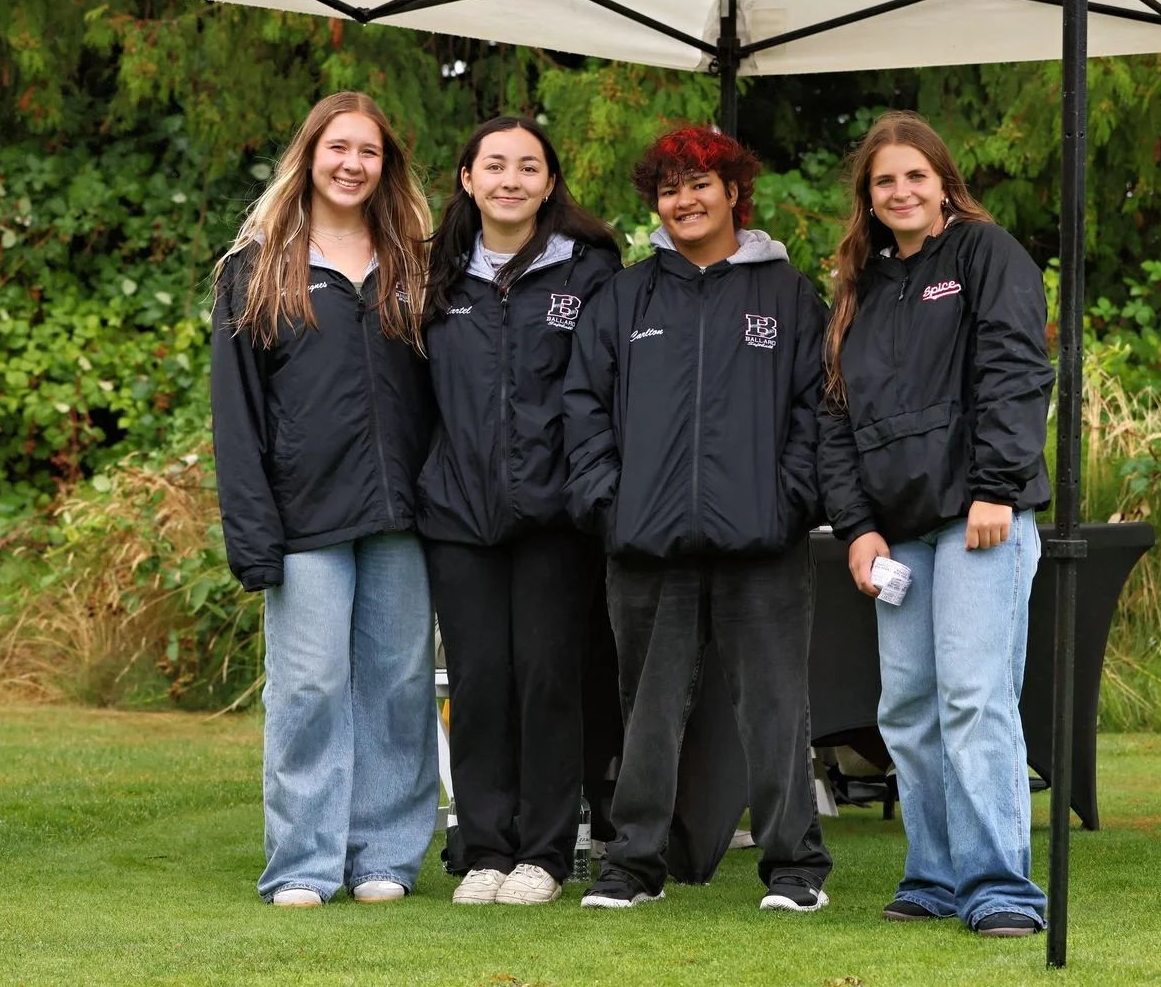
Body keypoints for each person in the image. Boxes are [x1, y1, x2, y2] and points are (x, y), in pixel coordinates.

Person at [563, 126, 832, 912]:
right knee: (644, 712)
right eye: (670, 188)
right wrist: (611, 502)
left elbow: (816, 412)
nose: (684, 200)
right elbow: (582, 409)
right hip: (646, 546)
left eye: (700, 184)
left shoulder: (787, 295)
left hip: (765, 546)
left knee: (778, 708)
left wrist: (787, 503)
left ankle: (794, 871)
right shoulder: (626, 296)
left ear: (732, 192)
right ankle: (634, 867)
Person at [818, 110, 1055, 937]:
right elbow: (833, 420)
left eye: (915, 175)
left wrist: (997, 486)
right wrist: (856, 527)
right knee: (908, 709)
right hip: (897, 533)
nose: (901, 190)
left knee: (973, 697)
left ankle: (1000, 888)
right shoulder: (861, 286)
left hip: (979, 519)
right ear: (869, 196)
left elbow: (1017, 370)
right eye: (885, 180)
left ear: (944, 181)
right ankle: (936, 874)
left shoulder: (986, 255)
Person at [210, 91, 437, 908]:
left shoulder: (416, 263)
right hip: (304, 518)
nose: (352, 164)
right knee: (308, 689)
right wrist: (253, 533)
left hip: (404, 515)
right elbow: (236, 417)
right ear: (308, 157)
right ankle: (303, 864)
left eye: (368, 152)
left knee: (400, 685)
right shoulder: (258, 267)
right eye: (338, 148)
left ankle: (383, 857)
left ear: (386, 166)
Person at [417, 116, 622, 905]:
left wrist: (589, 488)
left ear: (549, 181)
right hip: (457, 516)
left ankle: (542, 853)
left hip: (557, 518)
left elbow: (606, 390)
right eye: (494, 165)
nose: (510, 179)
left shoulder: (590, 273)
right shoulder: (433, 273)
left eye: (528, 166)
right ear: (467, 178)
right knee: (477, 683)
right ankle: (483, 850)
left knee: (546, 680)